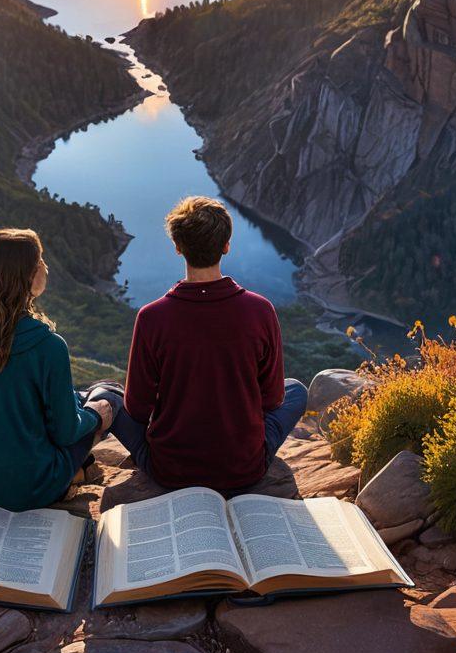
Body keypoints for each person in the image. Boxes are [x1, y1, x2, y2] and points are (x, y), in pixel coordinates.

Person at [94, 196, 307, 494]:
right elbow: (272, 401)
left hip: (171, 470)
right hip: (244, 468)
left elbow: (138, 409)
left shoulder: (152, 317)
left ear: (178, 247)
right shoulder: (260, 310)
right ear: (226, 245)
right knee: (296, 390)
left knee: (108, 395)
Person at [0, 228, 117, 512]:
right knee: (108, 395)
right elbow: (66, 431)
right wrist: (96, 416)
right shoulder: (49, 345)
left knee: (75, 399)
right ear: (28, 278)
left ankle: (77, 466)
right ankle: (73, 473)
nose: (45, 265)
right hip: (32, 486)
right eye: (40, 260)